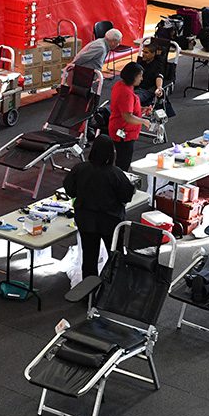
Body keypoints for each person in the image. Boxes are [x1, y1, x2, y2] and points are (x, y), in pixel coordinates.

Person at [63, 136, 136, 280]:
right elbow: (126, 196)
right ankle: (115, 288)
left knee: (89, 258)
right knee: (116, 256)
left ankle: (88, 293)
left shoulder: (80, 168)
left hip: (86, 220)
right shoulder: (116, 173)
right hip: (111, 222)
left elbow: (69, 190)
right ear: (111, 153)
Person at [108, 62, 152, 171]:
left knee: (121, 159)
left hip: (118, 127)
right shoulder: (126, 93)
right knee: (123, 162)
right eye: (140, 76)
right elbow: (127, 116)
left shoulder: (120, 85)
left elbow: (126, 108)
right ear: (133, 76)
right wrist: (143, 121)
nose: (141, 78)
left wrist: (141, 109)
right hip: (124, 132)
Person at [134, 41, 167, 109]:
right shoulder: (141, 62)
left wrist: (159, 88)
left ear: (153, 54)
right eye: (143, 52)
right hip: (135, 88)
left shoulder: (158, 65)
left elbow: (159, 76)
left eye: (146, 52)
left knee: (131, 100)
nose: (143, 54)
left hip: (146, 90)